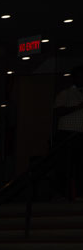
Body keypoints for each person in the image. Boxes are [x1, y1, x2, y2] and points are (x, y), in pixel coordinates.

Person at [53, 66, 83, 200]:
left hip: (81, 134)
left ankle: (79, 194)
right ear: (74, 77)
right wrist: (77, 107)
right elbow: (57, 112)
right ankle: (62, 194)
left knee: (80, 165)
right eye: (79, 76)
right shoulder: (65, 93)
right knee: (65, 165)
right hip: (67, 134)